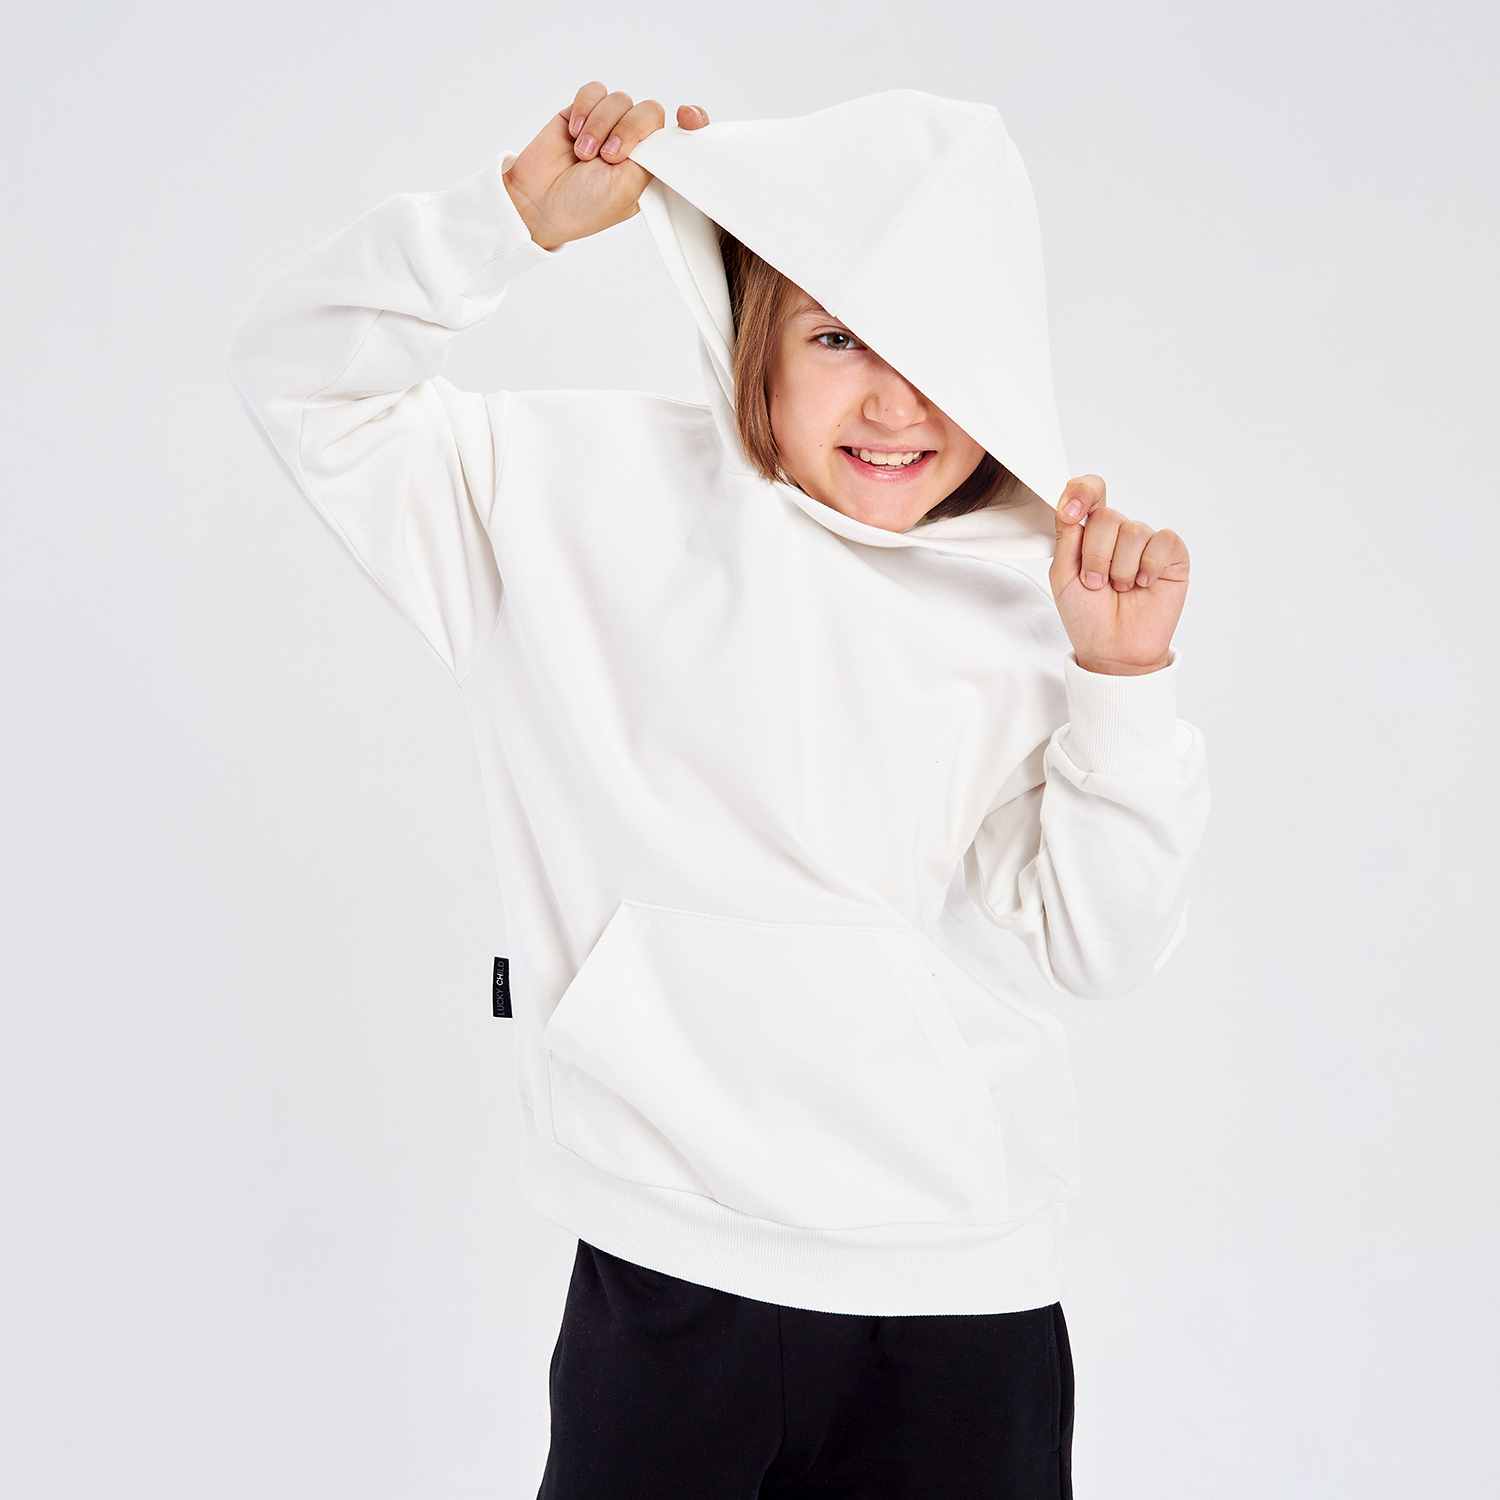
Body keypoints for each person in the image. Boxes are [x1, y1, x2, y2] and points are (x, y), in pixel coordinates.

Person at [228, 81, 1209, 1500]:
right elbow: (299, 376)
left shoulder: (1031, 604)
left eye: (937, 350)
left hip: (955, 1295)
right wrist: (510, 221)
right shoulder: (565, 494)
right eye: (836, 336)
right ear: (752, 326)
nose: (893, 403)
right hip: (666, 1274)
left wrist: (1121, 684)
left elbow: (1100, 947)